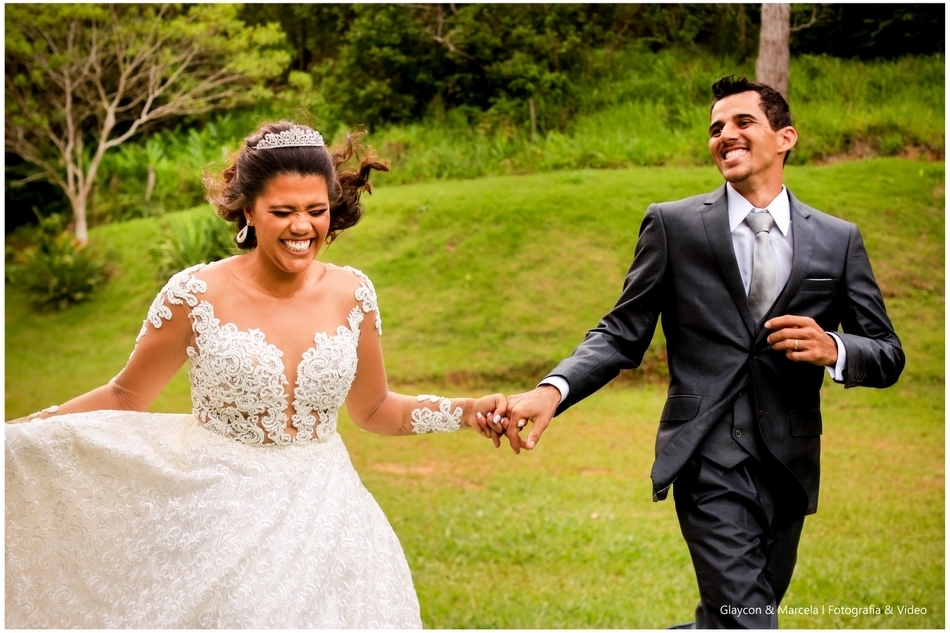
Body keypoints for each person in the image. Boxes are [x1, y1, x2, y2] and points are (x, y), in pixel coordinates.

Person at [5, 121, 510, 628]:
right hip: (219, 511)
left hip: (330, 516)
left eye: (316, 211)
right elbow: (124, 394)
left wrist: (464, 412)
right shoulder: (195, 294)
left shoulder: (353, 293)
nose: (302, 227)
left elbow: (374, 409)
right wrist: (24, 433)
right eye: (283, 212)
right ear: (248, 211)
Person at [503, 76, 904, 628]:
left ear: (785, 137)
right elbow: (621, 332)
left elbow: (887, 353)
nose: (726, 135)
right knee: (748, 622)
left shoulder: (838, 240)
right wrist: (554, 389)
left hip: (790, 464)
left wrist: (833, 345)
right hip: (706, 457)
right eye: (716, 128)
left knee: (730, 619)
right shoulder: (674, 226)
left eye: (743, 123)